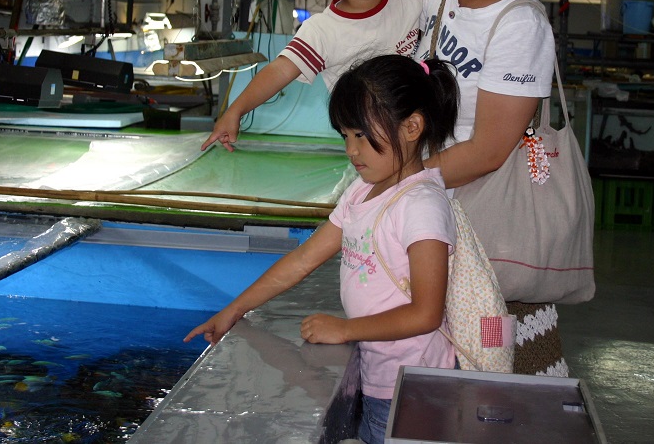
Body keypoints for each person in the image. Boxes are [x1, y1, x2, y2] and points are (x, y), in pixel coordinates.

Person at [186, 55, 460, 444]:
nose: (351, 150)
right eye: (345, 135)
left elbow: (426, 313)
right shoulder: (363, 190)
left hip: (413, 392)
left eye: (362, 136)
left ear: (413, 126)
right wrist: (233, 310)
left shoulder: (421, 205)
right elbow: (302, 259)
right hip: (381, 378)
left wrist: (345, 329)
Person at [392, 0, 564, 376]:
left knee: (492, 375)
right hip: (433, 207)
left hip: (484, 224)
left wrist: (400, 181)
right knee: (432, 370)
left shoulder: (519, 25)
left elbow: (490, 150)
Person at [202, 0, 426, 152]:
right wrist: (235, 110)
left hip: (425, 126)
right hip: (373, 145)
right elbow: (279, 71)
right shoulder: (322, 31)